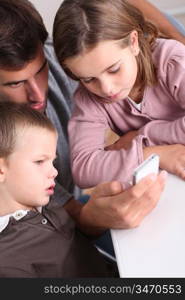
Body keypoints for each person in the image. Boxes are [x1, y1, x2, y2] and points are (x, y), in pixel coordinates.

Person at [53, 0, 185, 190]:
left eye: (113, 69)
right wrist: (154, 154)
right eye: (88, 79)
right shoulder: (87, 98)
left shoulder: (173, 60)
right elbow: (84, 170)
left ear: (133, 42)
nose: (107, 89)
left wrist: (139, 137)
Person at [0, 101, 119, 277]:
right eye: (40, 161)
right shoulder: (8, 264)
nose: (54, 172)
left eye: (52, 162)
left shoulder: (46, 201)